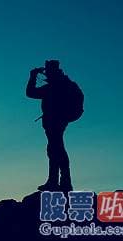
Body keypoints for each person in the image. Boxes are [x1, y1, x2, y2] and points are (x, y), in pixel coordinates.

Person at [26, 60, 83, 192]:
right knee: (54, 148)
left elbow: (30, 93)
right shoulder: (65, 84)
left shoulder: (55, 86)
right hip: (58, 120)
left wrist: (33, 76)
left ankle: (60, 182)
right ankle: (59, 182)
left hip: (55, 121)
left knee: (55, 149)